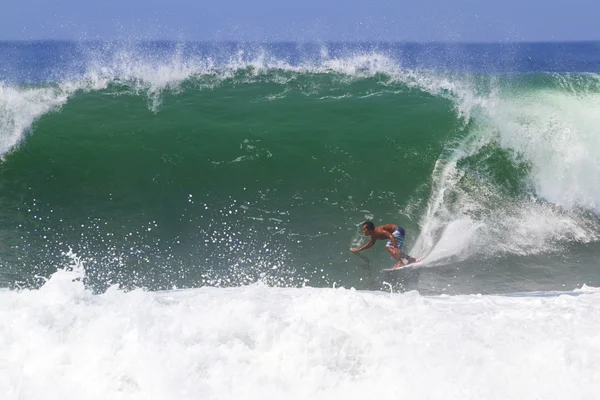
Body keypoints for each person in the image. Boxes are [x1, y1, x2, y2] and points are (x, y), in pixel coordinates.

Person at [350, 221, 418, 269]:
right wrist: (359, 249)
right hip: (399, 231)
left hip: (398, 231)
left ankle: (400, 262)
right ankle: (410, 259)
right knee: (393, 251)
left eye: (364, 230)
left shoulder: (379, 231)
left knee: (388, 247)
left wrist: (396, 247)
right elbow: (371, 243)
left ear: (369, 230)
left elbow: (391, 236)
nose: (363, 231)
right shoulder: (373, 235)